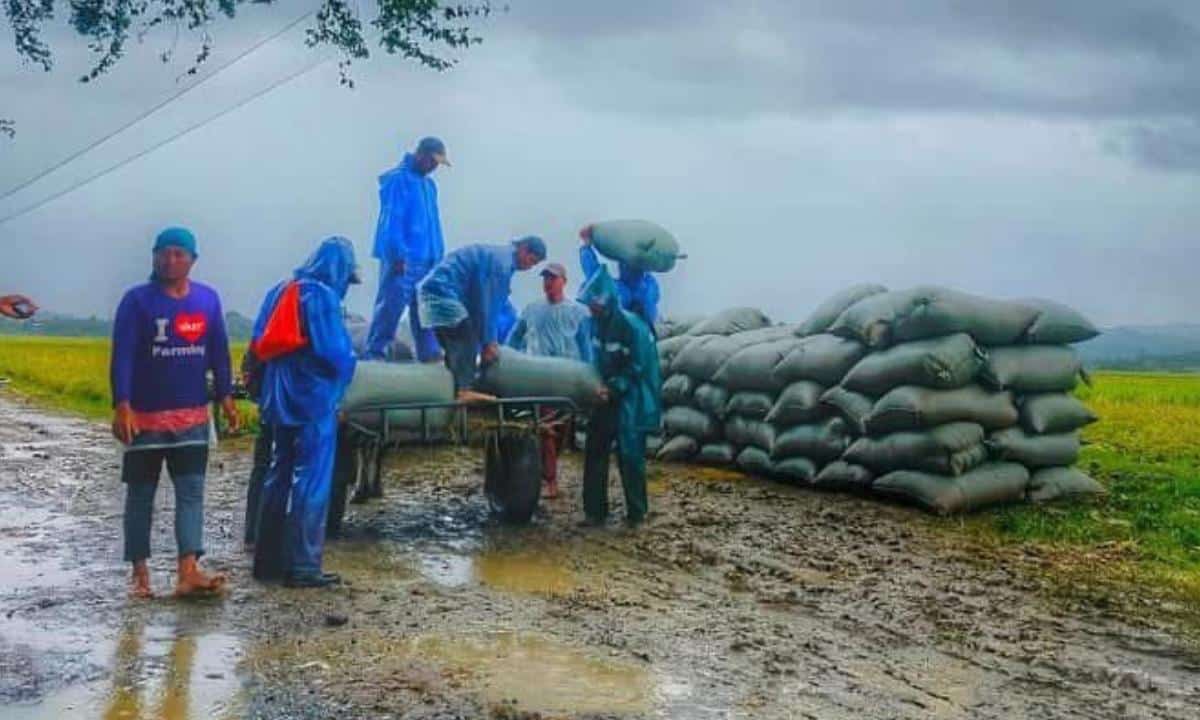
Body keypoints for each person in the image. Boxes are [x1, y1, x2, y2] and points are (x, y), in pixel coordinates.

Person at [110, 227, 239, 598]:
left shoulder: (207, 300)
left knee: (191, 493)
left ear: (193, 260)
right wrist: (122, 404)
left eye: (179, 254)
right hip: (144, 418)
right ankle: (140, 575)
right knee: (140, 496)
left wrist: (226, 398)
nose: (170, 260)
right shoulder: (137, 301)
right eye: (163, 253)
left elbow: (219, 352)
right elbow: (123, 356)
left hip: (192, 419)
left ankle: (188, 570)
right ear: (154, 257)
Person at [252, 237, 359, 589]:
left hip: (278, 396)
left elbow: (258, 342)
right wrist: (349, 374)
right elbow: (335, 353)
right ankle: (304, 565)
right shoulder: (322, 297)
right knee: (312, 479)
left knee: (277, 472)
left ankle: (266, 560)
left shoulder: (279, 291)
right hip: (313, 398)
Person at [577, 265, 662, 527]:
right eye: (589, 305)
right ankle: (595, 512)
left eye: (594, 304)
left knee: (630, 456)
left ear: (606, 302)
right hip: (605, 397)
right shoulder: (595, 325)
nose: (590, 309)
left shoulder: (631, 326)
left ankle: (637, 513)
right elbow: (594, 359)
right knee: (595, 451)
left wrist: (613, 387)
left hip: (631, 400)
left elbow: (637, 367)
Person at [416, 236, 547, 399]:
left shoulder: (498, 259)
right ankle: (463, 390)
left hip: (433, 296)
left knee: (455, 348)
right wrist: (489, 342)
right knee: (466, 339)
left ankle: (454, 389)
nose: (529, 267)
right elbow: (486, 305)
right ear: (523, 248)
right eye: (531, 260)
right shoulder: (501, 265)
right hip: (442, 295)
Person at [506, 262, 592, 498]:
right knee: (546, 430)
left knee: (561, 430)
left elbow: (585, 346)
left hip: (567, 378)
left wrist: (589, 375)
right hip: (541, 377)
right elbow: (515, 336)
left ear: (564, 281)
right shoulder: (532, 309)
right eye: (545, 278)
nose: (548, 283)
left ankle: (548, 471)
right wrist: (505, 360)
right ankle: (550, 481)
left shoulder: (577, 312)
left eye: (553, 278)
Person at [365, 136, 449, 362]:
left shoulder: (429, 186)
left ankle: (430, 356)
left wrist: (438, 256)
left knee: (425, 313)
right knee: (389, 310)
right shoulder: (397, 180)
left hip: (427, 260)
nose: (434, 167)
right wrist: (397, 253)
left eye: (437, 164)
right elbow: (392, 218)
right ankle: (375, 355)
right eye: (432, 161)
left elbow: (434, 223)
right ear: (420, 154)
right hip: (404, 260)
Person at [579, 225, 661, 331]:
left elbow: (594, 274)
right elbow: (595, 275)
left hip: (628, 338)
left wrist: (586, 246)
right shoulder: (649, 285)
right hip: (641, 337)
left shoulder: (623, 289)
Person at [239, 348, 271, 552]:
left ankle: (254, 533)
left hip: (270, 401)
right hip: (301, 401)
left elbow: (250, 363)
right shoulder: (315, 318)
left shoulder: (267, 321)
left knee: (263, 466)